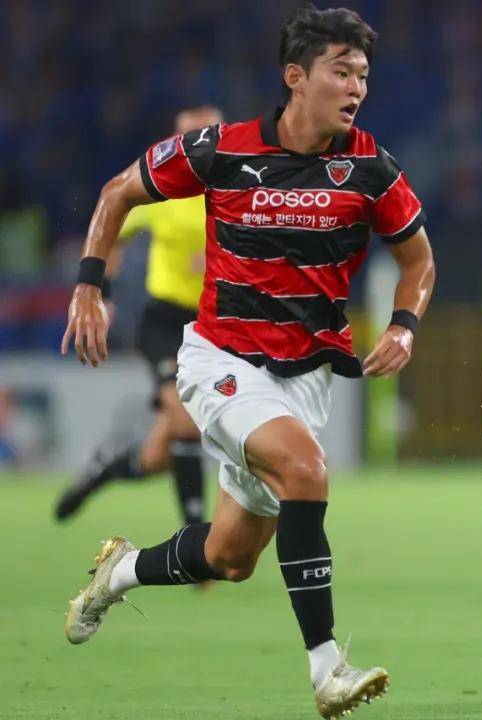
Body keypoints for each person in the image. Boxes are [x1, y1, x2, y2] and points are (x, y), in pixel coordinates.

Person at [59, 6, 435, 718]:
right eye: (341, 72)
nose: (356, 87)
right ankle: (327, 669)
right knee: (306, 471)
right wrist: (88, 286)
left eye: (363, 75)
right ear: (296, 77)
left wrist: (406, 326)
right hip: (220, 360)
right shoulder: (220, 150)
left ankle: (120, 572)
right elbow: (118, 193)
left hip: (307, 379)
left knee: (231, 558)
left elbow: (418, 260)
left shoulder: (370, 167)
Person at [54, 105, 222, 526]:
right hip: (166, 321)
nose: (196, 145)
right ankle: (195, 534)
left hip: (217, 326)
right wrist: (102, 293)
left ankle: (103, 469)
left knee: (159, 455)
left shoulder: (237, 191)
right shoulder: (166, 189)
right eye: (187, 136)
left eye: (205, 134)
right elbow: (112, 230)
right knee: (186, 425)